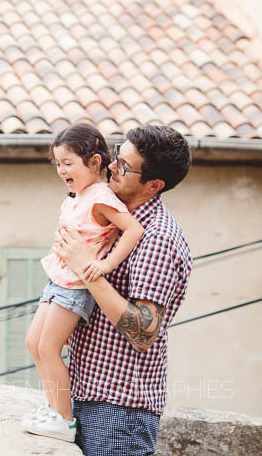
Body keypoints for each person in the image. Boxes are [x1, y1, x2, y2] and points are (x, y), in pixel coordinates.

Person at [54, 125, 193, 456]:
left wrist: (88, 269)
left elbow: (143, 332)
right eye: (117, 154)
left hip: (119, 412)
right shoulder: (114, 215)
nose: (112, 165)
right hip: (90, 396)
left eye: (125, 166)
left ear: (154, 185)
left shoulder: (157, 238)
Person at [22, 123, 145, 443]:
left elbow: (133, 229)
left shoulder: (100, 198)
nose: (61, 170)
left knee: (48, 347)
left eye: (68, 163)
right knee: (33, 343)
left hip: (75, 285)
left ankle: (65, 420)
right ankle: (54, 408)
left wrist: (105, 264)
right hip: (58, 278)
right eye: (57, 163)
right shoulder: (79, 194)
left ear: (94, 162)